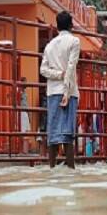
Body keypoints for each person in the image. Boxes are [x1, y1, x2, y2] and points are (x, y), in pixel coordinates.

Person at [40, 11, 80, 169]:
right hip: (68, 91)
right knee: (68, 133)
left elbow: (43, 70)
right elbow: (71, 67)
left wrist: (57, 74)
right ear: (71, 25)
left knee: (53, 133)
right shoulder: (74, 42)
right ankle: (70, 170)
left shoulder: (50, 45)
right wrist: (67, 92)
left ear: (57, 26)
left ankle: (52, 169)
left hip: (52, 92)